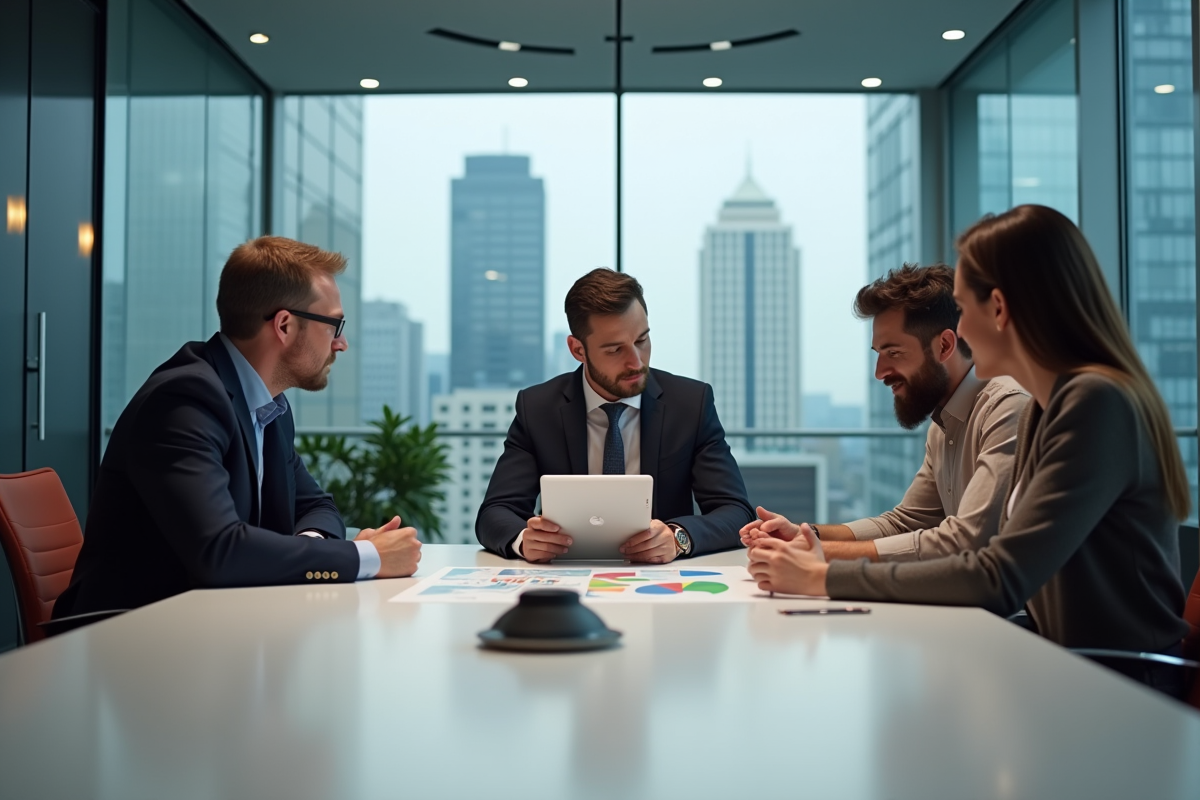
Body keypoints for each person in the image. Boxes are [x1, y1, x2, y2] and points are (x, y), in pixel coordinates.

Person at [748, 206, 1190, 695]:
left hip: (1122, 685)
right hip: (1066, 661)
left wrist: (824, 576)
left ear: (997, 309)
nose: (961, 329)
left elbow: (997, 576)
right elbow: (935, 534)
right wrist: (814, 547)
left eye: (963, 305)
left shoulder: (1094, 402)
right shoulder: (1053, 405)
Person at [54, 237, 421, 618]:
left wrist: (305, 547)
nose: (341, 344)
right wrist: (365, 556)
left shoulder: (268, 406)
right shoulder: (185, 401)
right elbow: (220, 551)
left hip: (212, 626)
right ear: (284, 325)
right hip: (132, 639)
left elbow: (316, 506)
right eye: (335, 325)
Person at [741, 264, 1027, 563]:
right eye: (878, 354)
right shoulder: (945, 422)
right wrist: (805, 535)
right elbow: (905, 522)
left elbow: (967, 540)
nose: (879, 373)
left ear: (944, 346)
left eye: (894, 353)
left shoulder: (1007, 408)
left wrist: (816, 554)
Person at [477, 268, 754, 563]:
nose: (636, 362)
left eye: (642, 341)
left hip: (662, 582)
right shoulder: (538, 408)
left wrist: (677, 537)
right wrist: (524, 540)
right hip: (567, 578)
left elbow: (736, 512)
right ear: (578, 350)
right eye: (614, 349)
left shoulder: (689, 404)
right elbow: (495, 512)